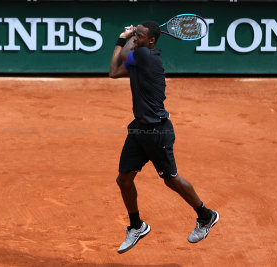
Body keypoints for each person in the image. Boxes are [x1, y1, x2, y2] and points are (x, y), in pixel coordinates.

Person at [109, 21, 219, 254]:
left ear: (151, 41)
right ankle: (137, 226)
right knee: (124, 180)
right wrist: (123, 38)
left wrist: (125, 36)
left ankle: (206, 215)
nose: (135, 38)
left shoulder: (147, 58)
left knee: (171, 180)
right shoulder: (139, 60)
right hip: (138, 131)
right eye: (135, 35)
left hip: (158, 132)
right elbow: (113, 72)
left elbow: (126, 53)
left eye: (140, 36)